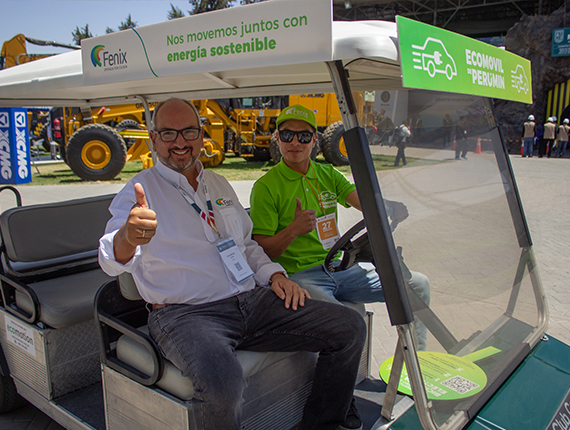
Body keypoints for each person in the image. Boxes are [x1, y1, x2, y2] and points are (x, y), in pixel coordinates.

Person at [98, 98, 366, 430]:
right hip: (186, 315)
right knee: (223, 384)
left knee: (349, 327)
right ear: (154, 139)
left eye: (189, 132)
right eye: (168, 133)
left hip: (251, 300)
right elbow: (110, 259)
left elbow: (245, 244)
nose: (180, 142)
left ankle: (323, 423)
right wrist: (128, 236)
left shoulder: (218, 184)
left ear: (201, 136)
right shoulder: (138, 193)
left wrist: (275, 275)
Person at [250, 105, 431, 430]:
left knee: (417, 284)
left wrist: (387, 206)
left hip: (337, 266)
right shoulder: (266, 187)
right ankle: (338, 412)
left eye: (303, 135)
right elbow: (260, 250)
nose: (295, 142)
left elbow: (360, 198)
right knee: (345, 324)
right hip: (298, 275)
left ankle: (411, 378)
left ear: (314, 140)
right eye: (287, 135)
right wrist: (292, 230)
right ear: (277, 139)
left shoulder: (326, 174)